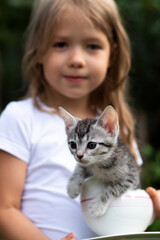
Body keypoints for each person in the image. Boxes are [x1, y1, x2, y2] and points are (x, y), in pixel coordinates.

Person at [0, 0, 143, 239]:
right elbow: (4, 209)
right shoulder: (20, 117)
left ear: (112, 55)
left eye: (92, 46)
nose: (77, 59)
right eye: (61, 44)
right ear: (38, 50)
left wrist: (148, 207)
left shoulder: (116, 128)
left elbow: (128, 198)